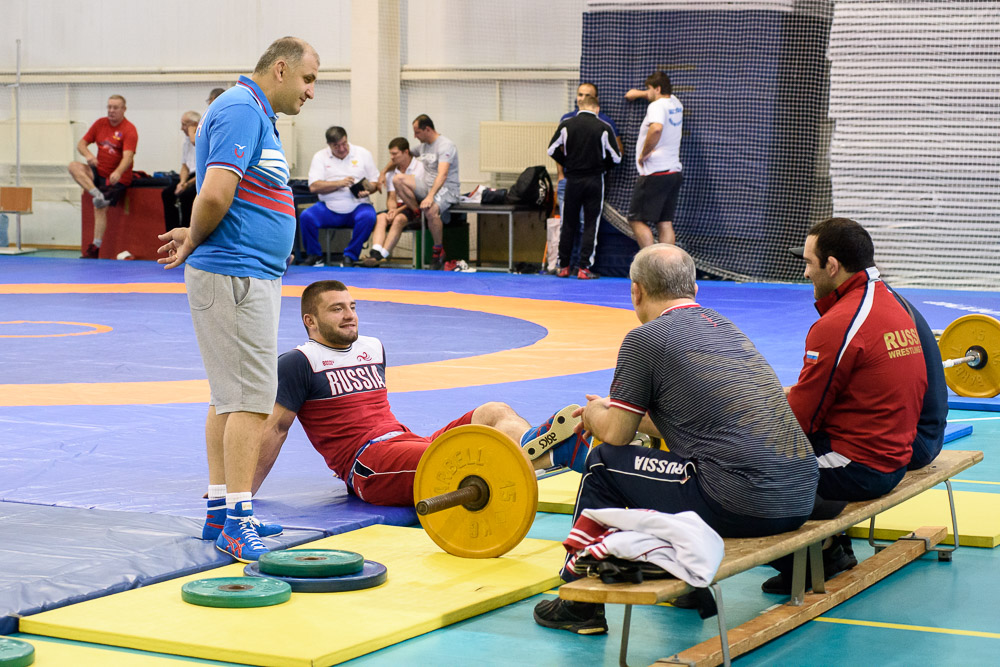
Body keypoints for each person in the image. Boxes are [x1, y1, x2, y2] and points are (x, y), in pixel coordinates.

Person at [533, 244, 818, 635]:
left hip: (742, 499)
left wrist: (596, 411)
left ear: (636, 291)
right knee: (668, 468)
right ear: (695, 289)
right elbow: (689, 422)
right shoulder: (725, 326)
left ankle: (579, 603)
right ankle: (688, 585)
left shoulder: (645, 339)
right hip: (800, 494)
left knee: (603, 463)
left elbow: (618, 433)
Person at [156, 36, 319, 562]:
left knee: (228, 395)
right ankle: (238, 521)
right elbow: (216, 193)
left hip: (247, 274)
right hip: (235, 276)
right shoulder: (239, 109)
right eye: (308, 79)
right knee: (250, 399)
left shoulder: (257, 114)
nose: (310, 92)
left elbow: (236, 193)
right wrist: (195, 237)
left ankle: (221, 512)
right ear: (280, 69)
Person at [252, 280, 592, 503]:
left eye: (352, 306)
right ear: (310, 321)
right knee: (468, 460)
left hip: (408, 442)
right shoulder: (298, 362)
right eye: (337, 309)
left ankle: (538, 445)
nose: (350, 316)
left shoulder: (372, 347)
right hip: (368, 464)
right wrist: (243, 493)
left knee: (494, 412)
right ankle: (558, 454)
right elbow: (276, 429)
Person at [763, 217, 931, 594]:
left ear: (833, 266)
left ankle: (813, 557)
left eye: (809, 263)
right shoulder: (890, 302)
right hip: (895, 452)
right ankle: (828, 548)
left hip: (862, 465)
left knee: (739, 472)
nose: (806, 272)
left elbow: (798, 422)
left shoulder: (840, 323)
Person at [547, 94, 621, 280]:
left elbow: (551, 149)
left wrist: (567, 164)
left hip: (572, 180)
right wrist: (602, 167)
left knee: (568, 224)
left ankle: (563, 266)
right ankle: (583, 268)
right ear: (596, 109)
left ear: (580, 107)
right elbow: (616, 157)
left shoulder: (567, 124)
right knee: (590, 225)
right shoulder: (603, 127)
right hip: (595, 180)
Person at [382, 115, 460, 270]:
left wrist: (430, 196)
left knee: (431, 210)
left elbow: (442, 174)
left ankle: (438, 250)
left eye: (417, 132)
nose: (415, 136)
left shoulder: (446, 146)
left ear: (428, 129)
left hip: (446, 188)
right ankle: (417, 212)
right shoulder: (422, 146)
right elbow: (399, 155)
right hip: (426, 186)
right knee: (398, 179)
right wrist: (382, 173)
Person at [297, 127, 379, 267]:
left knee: (369, 216)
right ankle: (315, 255)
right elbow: (314, 187)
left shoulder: (363, 154)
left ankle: (350, 256)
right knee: (306, 216)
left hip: (357, 205)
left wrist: (369, 190)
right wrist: (339, 183)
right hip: (328, 207)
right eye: (336, 146)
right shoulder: (320, 157)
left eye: (344, 144)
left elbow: (375, 183)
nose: (342, 149)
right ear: (329, 145)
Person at [69, 95, 139, 258]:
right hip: (98, 172)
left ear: (124, 109)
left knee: (99, 208)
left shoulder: (129, 129)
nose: (111, 111)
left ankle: (95, 247)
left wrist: (118, 172)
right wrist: (88, 155)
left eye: (115, 108)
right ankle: (97, 193)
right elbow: (81, 144)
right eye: (109, 107)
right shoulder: (100, 123)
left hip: (117, 178)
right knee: (73, 166)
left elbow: (128, 157)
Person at [625, 71, 683, 248]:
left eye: (648, 89)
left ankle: (651, 266)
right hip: (673, 172)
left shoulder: (656, 107)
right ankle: (667, 269)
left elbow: (656, 128)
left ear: (657, 89)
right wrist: (640, 93)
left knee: (635, 219)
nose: (647, 93)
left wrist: (644, 154)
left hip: (655, 172)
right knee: (664, 222)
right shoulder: (675, 102)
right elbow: (661, 93)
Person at [555, 82, 622, 217]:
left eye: (587, 95)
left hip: (592, 181)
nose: (582, 98)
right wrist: (561, 175)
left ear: (595, 99)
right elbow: (559, 148)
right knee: (566, 223)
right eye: (580, 94)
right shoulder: (566, 119)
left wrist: (601, 169)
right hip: (569, 179)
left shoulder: (606, 122)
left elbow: (618, 151)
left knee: (585, 222)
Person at [362, 137, 424, 267]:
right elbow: (391, 197)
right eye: (390, 154)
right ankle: (375, 252)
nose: (392, 157)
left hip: (414, 206)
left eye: (395, 154)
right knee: (381, 217)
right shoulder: (391, 172)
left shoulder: (420, 168)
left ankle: (382, 255)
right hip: (398, 207)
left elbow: (418, 198)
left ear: (406, 152)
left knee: (399, 219)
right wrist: (391, 209)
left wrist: (397, 211)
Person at [161, 111, 200, 232]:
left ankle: (187, 231)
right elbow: (184, 166)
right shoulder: (186, 140)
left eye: (184, 125)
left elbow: (203, 170)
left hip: (200, 176)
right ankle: (172, 231)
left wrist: (188, 184)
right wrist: (182, 182)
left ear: (194, 124)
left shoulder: (201, 139)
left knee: (186, 195)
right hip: (189, 175)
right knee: (167, 193)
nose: (182, 128)